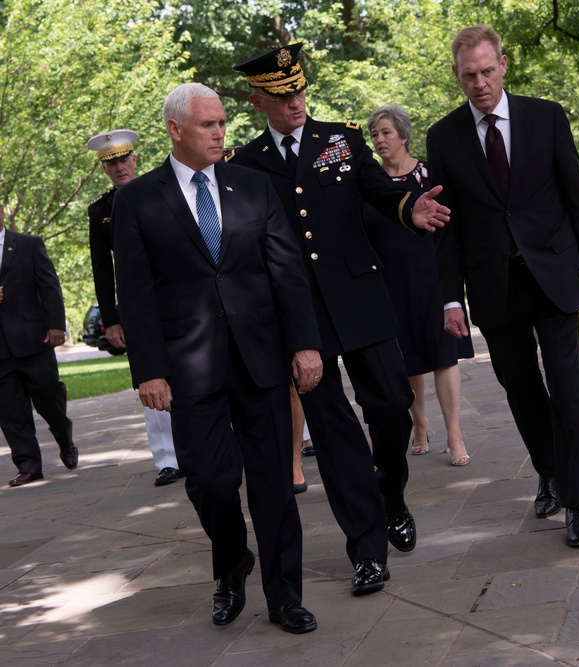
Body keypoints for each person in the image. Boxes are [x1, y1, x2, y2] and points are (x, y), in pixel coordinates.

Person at [229, 44, 449, 591]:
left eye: (300, 90)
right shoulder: (245, 164)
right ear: (259, 101)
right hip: (301, 319)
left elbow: (379, 193)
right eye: (283, 96)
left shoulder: (342, 140)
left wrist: (410, 208)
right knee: (332, 433)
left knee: (393, 409)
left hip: (360, 299)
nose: (297, 103)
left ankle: (391, 493)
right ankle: (367, 549)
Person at [112, 83, 323, 634]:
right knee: (208, 481)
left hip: (261, 358)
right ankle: (231, 565)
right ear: (175, 130)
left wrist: (305, 343)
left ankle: (284, 598)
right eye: (208, 125)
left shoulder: (253, 186)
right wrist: (149, 371)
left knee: (275, 483)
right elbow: (135, 293)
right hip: (189, 367)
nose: (220, 132)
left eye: (223, 122)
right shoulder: (135, 200)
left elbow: (287, 269)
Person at [426, 25, 579, 547]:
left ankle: (577, 503)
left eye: (488, 71)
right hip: (493, 286)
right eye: (469, 75)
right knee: (522, 390)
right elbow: (448, 225)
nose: (480, 83)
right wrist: (449, 297)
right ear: (457, 76)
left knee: (569, 394)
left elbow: (578, 197)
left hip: (554, 277)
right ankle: (548, 470)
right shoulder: (444, 137)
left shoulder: (546, 117)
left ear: (503, 65)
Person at [364, 103, 473, 466]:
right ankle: (420, 423)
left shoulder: (429, 174)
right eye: (375, 134)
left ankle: (454, 433)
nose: (379, 140)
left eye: (386, 133)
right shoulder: (370, 183)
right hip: (390, 282)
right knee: (407, 359)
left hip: (434, 277)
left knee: (445, 355)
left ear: (404, 135)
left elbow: (452, 221)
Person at [86, 129, 182, 487]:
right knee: (149, 375)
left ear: (134, 159)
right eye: (110, 163)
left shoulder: (163, 189)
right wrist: (110, 320)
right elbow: (102, 269)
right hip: (136, 307)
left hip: (177, 298)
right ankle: (168, 458)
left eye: (123, 159)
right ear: (104, 169)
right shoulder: (100, 211)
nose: (118, 167)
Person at [0, 205, 78, 487]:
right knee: (10, 410)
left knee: (47, 399)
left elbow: (49, 286)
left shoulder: (29, 245)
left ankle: (64, 437)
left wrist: (56, 324)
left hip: (35, 339)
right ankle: (29, 465)